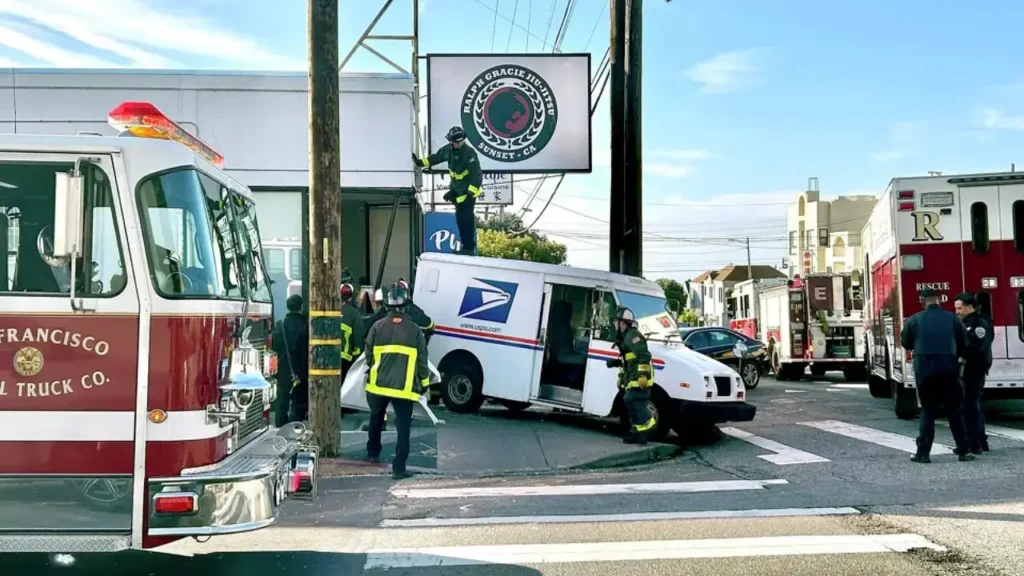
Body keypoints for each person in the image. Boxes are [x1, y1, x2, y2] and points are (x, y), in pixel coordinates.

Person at [363, 283, 432, 480]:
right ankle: (399, 468)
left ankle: (372, 454)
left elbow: (368, 356)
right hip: (404, 388)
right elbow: (422, 361)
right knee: (403, 427)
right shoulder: (415, 330)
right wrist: (424, 383)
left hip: (378, 385)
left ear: (387, 306)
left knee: (376, 419)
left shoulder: (377, 327)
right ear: (405, 306)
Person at [900, 288, 973, 463]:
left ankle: (923, 453)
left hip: (925, 368)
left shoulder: (915, 319)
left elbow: (905, 342)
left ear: (922, 301)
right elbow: (964, 342)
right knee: (954, 410)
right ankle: (964, 450)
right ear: (939, 300)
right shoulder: (953, 318)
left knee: (928, 410)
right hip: (949, 367)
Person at [412, 126, 482, 255]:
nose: (454, 144)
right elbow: (436, 157)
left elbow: (476, 175)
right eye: (453, 142)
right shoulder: (448, 150)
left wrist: (470, 193)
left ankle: (468, 249)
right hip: (457, 190)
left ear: (462, 141)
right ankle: (465, 248)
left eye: (456, 142)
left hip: (468, 194)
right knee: (460, 221)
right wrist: (420, 162)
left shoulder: (469, 153)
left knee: (466, 220)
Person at [605, 306, 657, 444]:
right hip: (632, 375)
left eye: (616, 322)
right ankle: (638, 434)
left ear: (623, 323)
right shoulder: (626, 336)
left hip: (638, 377)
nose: (614, 325)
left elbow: (644, 356)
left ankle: (648, 424)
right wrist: (616, 363)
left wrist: (643, 375)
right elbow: (630, 358)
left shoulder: (632, 336)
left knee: (632, 399)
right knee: (630, 401)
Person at [955, 292, 993, 454]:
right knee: (971, 405)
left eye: (959, 308)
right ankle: (980, 440)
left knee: (970, 407)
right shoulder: (968, 322)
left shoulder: (978, 324)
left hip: (973, 369)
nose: (956, 311)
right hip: (970, 369)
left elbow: (975, 347)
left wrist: (958, 351)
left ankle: (974, 443)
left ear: (970, 307)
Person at [271, 294, 309, 425]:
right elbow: (305, 352)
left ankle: (280, 425)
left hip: (282, 369)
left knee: (282, 400)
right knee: (299, 401)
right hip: (300, 370)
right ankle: (294, 426)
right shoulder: (305, 326)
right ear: (301, 307)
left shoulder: (280, 326)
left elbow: (274, 349)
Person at [340, 282, 366, 379]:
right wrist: (357, 356)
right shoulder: (354, 314)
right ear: (350, 298)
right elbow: (358, 337)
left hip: (328, 357)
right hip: (345, 359)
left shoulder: (330, 310)